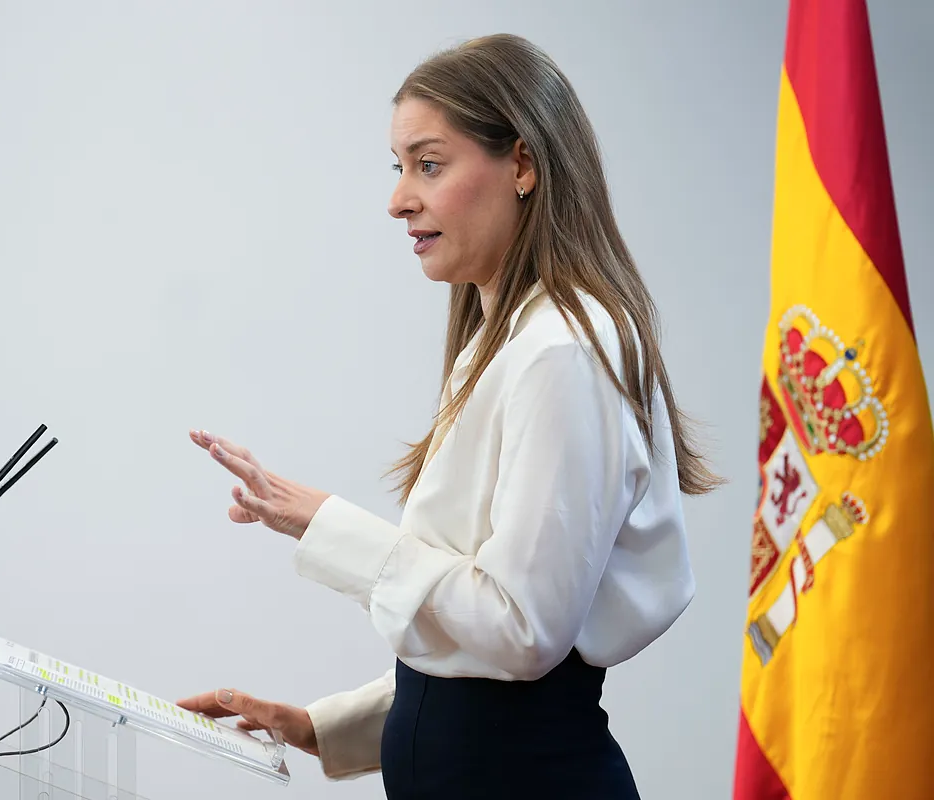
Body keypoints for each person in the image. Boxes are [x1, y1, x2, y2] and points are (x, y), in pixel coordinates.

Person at [177, 32, 721, 799]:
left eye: (428, 165)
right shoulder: (510, 340)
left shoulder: (563, 350)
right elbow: (473, 665)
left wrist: (326, 523)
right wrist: (319, 726)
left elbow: (522, 634)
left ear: (524, 165)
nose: (399, 198)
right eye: (399, 168)